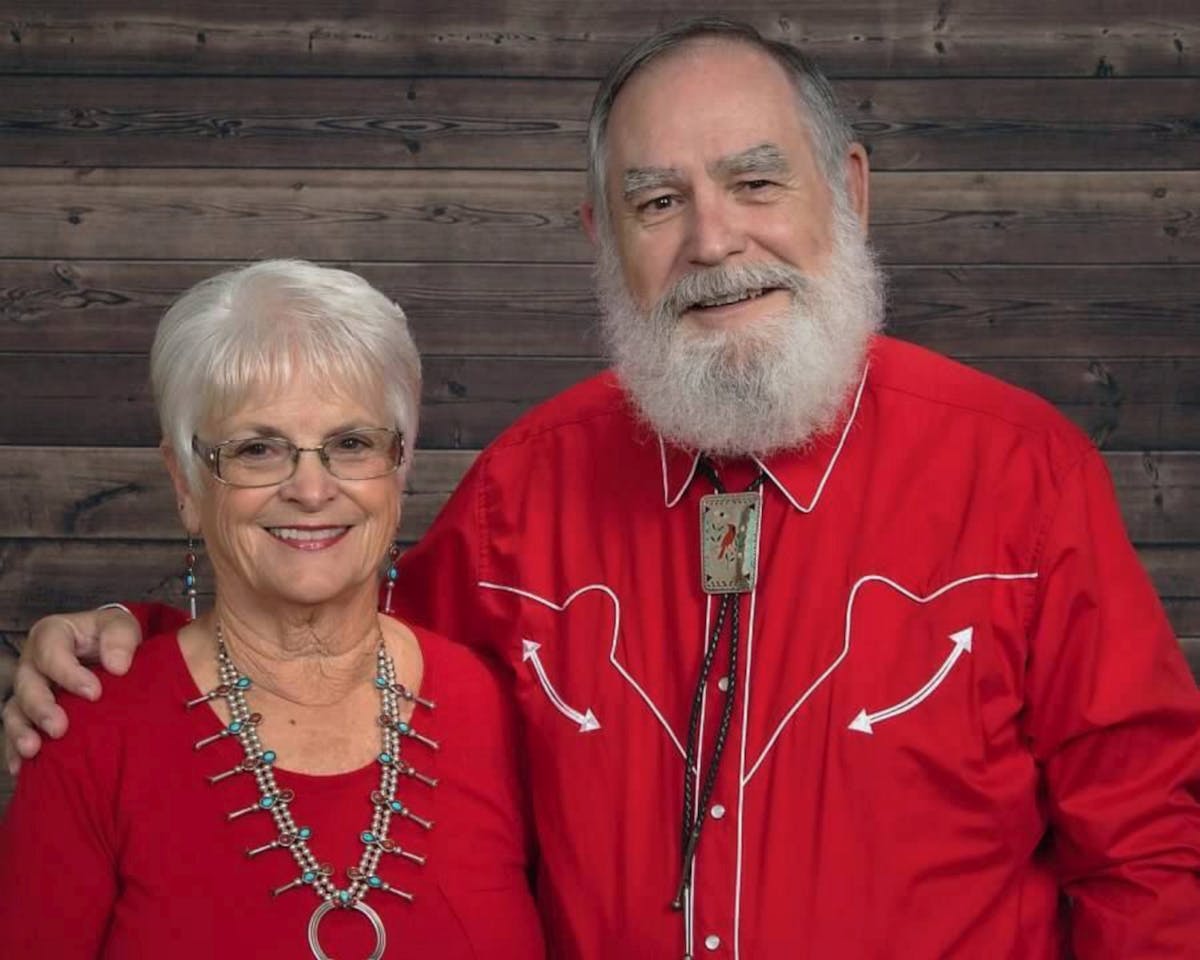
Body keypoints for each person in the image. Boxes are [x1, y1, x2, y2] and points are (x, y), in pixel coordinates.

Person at [7, 18, 1200, 959]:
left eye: (754, 183)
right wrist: (140, 649)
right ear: (604, 237)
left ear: (848, 191)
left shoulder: (1021, 469)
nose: (714, 240)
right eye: (658, 202)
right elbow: (335, 659)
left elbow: (1151, 850)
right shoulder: (522, 494)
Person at [0, 260, 545, 958]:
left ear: (399, 469)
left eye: (351, 444)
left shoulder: (497, 708)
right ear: (188, 483)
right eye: (259, 450)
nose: (311, 489)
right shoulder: (91, 732)